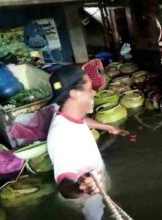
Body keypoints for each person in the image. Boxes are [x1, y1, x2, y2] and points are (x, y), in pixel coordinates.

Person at [46, 65, 123, 219]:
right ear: (74, 93)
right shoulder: (61, 135)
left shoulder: (65, 114)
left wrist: (106, 127)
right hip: (87, 200)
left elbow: (79, 120)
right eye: (89, 90)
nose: (94, 93)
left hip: (96, 184)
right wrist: (80, 187)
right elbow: (64, 185)